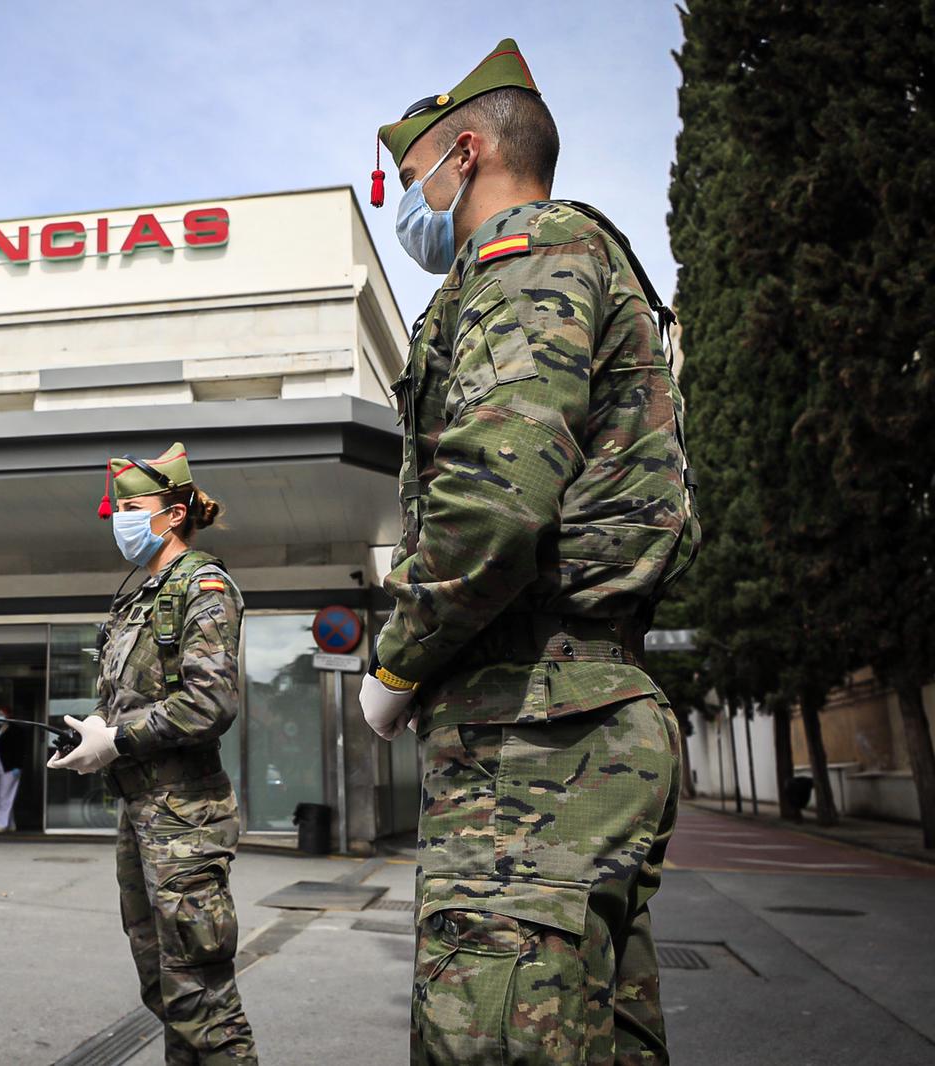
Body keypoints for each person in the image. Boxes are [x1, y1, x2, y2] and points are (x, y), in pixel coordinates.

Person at [362, 39, 699, 1063]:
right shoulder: (587, 257)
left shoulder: (525, 250)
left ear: (463, 153)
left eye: (412, 171)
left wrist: (395, 659)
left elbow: (495, 501)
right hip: (579, 710)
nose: (404, 200)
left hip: (531, 728)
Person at [50, 442, 257, 1065]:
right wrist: (96, 729)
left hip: (185, 815)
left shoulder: (204, 585)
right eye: (117, 508)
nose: (121, 519)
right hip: (140, 808)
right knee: (163, 985)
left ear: (172, 513)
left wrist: (119, 739)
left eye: (132, 506)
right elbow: (131, 694)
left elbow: (210, 701)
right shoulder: (140, 597)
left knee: (200, 993)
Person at [0, 706, 29, 832]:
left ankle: (1, 823)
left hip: (9, 768)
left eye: (2, 714)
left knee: (5, 795)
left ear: (8, 716)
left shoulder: (16, 731)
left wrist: (18, 766)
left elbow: (20, 750)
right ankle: (10, 824)